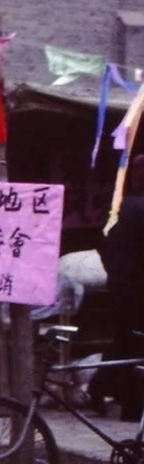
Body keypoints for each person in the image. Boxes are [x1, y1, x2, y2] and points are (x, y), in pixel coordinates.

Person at [98, 155, 144, 423]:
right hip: (137, 288)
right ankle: (131, 406)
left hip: (118, 284)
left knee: (123, 342)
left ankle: (102, 388)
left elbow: (103, 244)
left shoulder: (118, 206)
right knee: (134, 348)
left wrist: (114, 271)